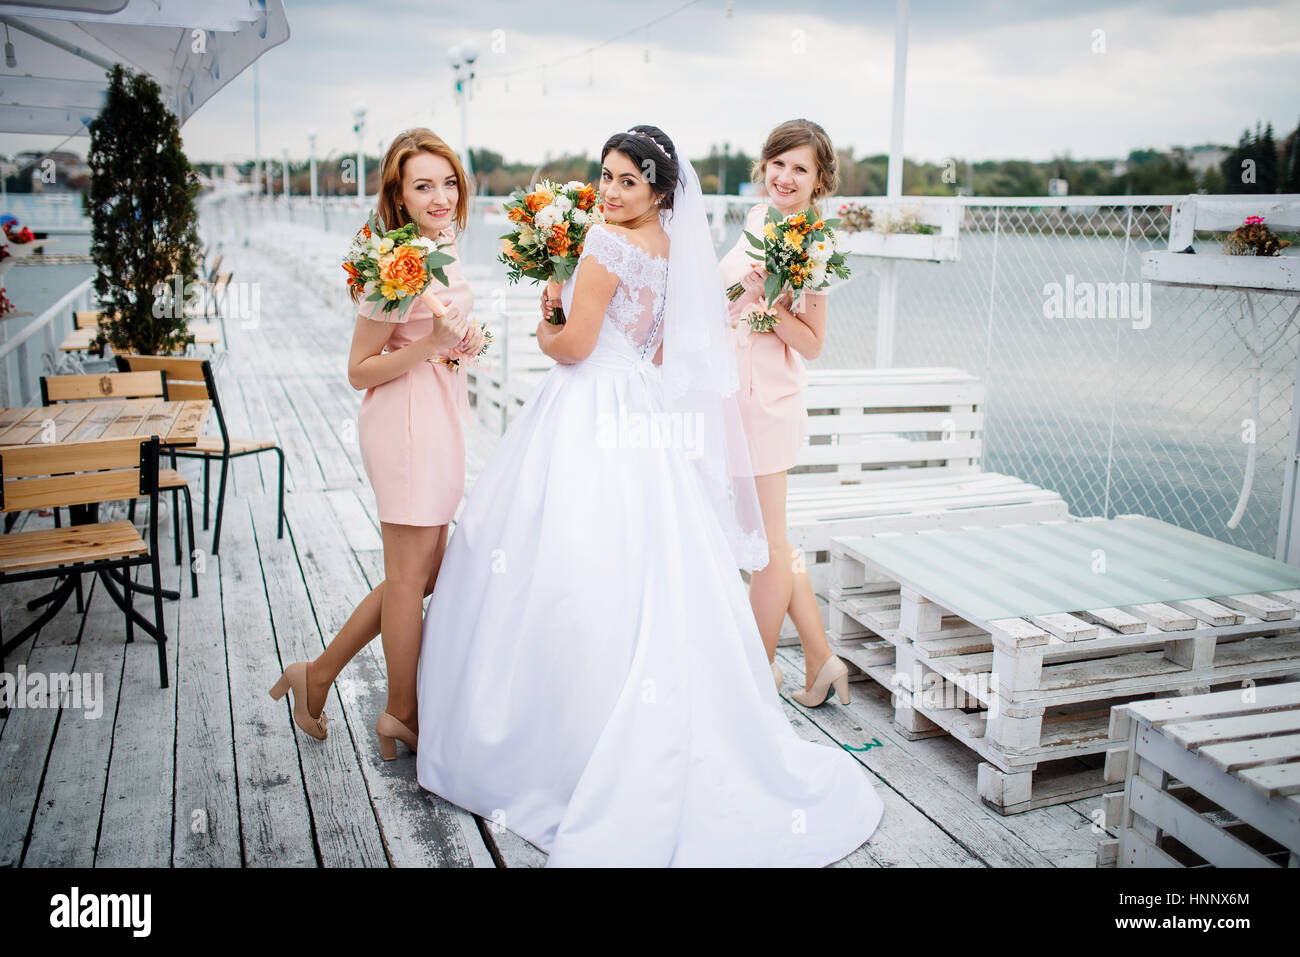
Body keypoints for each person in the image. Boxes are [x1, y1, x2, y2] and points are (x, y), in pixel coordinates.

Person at [413, 124, 883, 866]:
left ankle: (554, 738)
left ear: (660, 189)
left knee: (552, 553)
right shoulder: (672, 252)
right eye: (605, 175)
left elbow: (572, 347)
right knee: (644, 563)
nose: (610, 189)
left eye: (628, 179)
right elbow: (661, 350)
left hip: (586, 405)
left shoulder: (602, 246)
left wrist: (546, 318)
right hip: (640, 411)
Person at [269, 128, 485, 759]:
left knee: (419, 575)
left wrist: (462, 343)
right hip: (404, 422)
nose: (441, 196)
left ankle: (319, 674)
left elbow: (442, 332)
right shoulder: (394, 263)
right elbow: (359, 367)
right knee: (409, 576)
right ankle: (400, 711)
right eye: (424, 185)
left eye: (448, 182)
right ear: (399, 193)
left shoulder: (438, 246)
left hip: (438, 415)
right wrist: (430, 346)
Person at [719, 118, 851, 707]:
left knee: (767, 551)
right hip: (733, 398)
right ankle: (821, 660)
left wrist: (769, 311)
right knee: (771, 539)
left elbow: (814, 342)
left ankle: (751, 676)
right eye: (778, 163)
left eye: (800, 168)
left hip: (768, 406)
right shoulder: (755, 221)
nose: (785, 176)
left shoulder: (816, 245)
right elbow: (726, 305)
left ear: (820, 179)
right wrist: (744, 295)